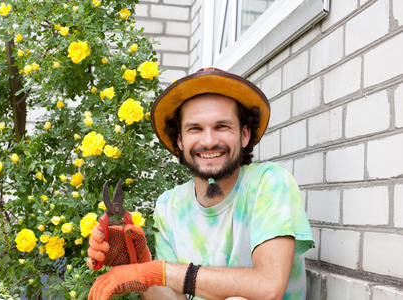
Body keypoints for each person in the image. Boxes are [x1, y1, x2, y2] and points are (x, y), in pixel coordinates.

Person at [86, 68, 314, 300]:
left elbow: (268, 288)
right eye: (195, 129)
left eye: (221, 126)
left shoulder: (270, 182)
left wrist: (157, 271)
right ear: (180, 140)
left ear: (244, 135)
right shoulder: (169, 204)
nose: (208, 141)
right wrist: (139, 264)